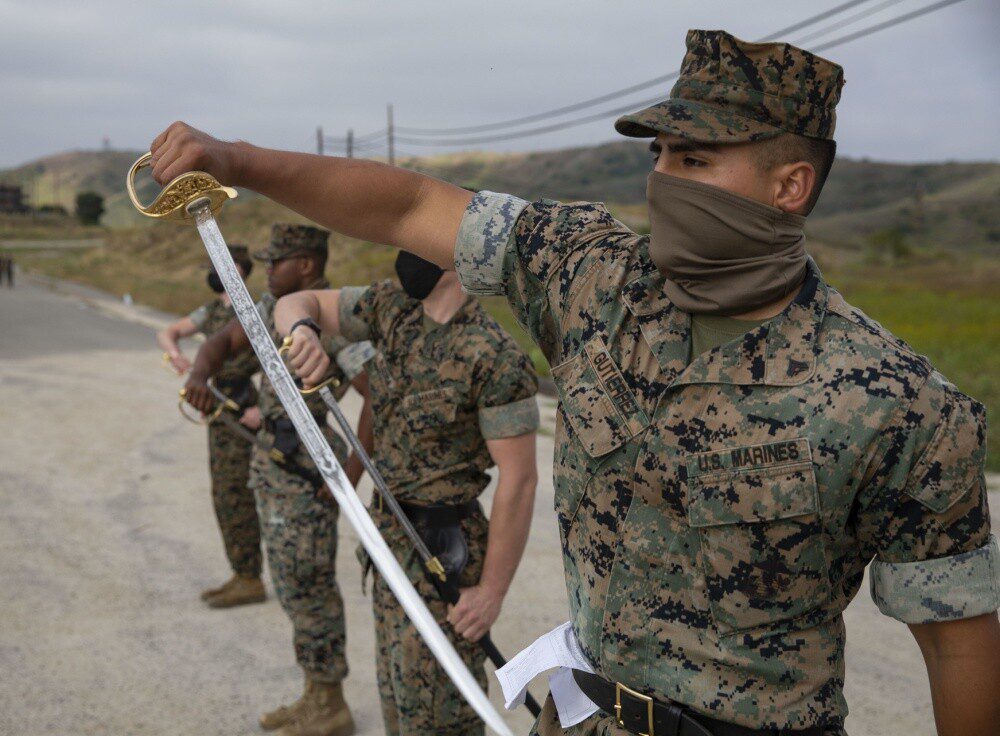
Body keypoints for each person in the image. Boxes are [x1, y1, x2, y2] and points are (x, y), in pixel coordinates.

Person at [147, 29, 1000, 736]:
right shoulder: (589, 276)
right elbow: (410, 208)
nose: (664, 180)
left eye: (697, 159)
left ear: (790, 186)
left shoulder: (896, 401)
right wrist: (239, 161)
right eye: (660, 154)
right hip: (578, 713)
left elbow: (958, 645)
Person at [273, 251, 540, 735]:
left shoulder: (494, 355)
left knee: (439, 714)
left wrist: (491, 593)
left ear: (459, 256)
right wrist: (305, 333)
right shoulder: (390, 305)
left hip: (445, 549)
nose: (402, 249)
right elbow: (296, 301)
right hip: (390, 541)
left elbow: (519, 481)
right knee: (399, 696)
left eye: (418, 238)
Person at [182, 224, 366, 736]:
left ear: (307, 264)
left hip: (308, 469)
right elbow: (220, 343)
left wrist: (346, 476)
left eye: (275, 262)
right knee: (288, 585)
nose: (266, 271)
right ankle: (314, 693)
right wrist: (199, 376)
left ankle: (332, 703)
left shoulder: (331, 318)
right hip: (273, 461)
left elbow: (377, 395)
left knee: (310, 586)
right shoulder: (270, 309)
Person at [156, 244, 265, 608]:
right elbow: (169, 332)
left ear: (241, 270)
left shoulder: (260, 310)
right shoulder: (214, 311)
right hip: (218, 409)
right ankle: (243, 572)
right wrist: (176, 356)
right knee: (226, 492)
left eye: (223, 265)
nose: (215, 271)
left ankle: (250, 576)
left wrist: (264, 408)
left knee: (241, 492)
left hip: (245, 409)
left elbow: (278, 365)